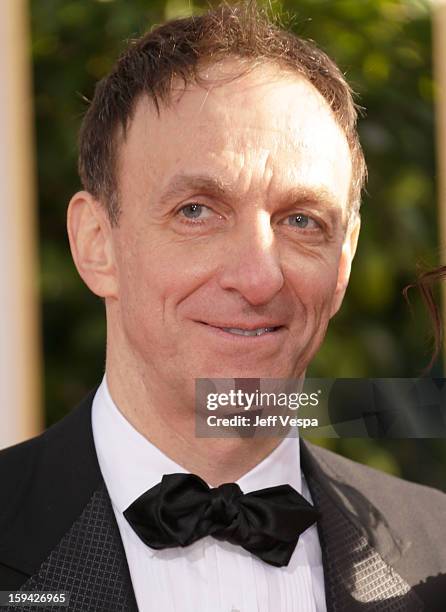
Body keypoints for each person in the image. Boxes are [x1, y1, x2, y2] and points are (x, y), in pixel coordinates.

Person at [1, 3, 445, 611]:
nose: (259, 278)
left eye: (301, 220)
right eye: (197, 211)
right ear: (96, 245)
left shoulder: (436, 551)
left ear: (343, 263)